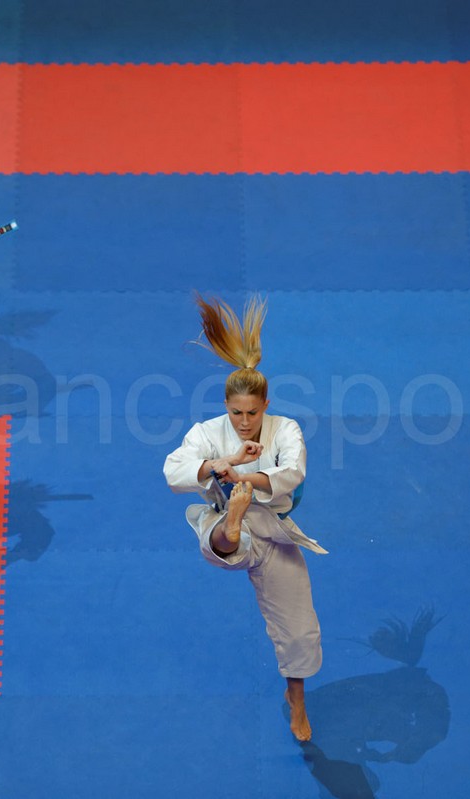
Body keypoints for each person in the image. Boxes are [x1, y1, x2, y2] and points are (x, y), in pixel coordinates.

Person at [163, 294, 328, 742]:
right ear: (225, 405)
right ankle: (232, 525)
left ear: (266, 404)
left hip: (273, 530)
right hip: (224, 515)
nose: (243, 421)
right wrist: (220, 464)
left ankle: (297, 699)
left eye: (253, 412)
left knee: (299, 629)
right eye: (236, 412)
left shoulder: (286, 429)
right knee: (223, 543)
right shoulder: (207, 432)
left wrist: (245, 477)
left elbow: (293, 472)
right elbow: (173, 471)